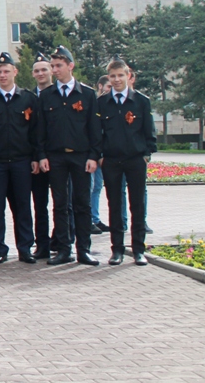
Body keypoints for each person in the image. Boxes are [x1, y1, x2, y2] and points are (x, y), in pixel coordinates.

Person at [37, 45, 102, 266]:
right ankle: (64, 249)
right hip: (56, 157)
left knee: (82, 204)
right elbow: (41, 129)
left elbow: (94, 129)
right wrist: (42, 155)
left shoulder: (87, 94)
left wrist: (93, 156)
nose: (54, 70)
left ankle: (84, 249)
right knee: (60, 204)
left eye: (58, 66)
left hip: (81, 157)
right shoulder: (47, 96)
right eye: (53, 66)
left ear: (70, 66)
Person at [0, 52, 39, 264]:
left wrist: (36, 157)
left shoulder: (28, 98)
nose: (2, 75)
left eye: (6, 71)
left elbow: (35, 131)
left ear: (15, 72)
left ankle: (25, 247)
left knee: (22, 205)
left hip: (22, 161)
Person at [98, 58, 156, 266]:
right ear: (109, 78)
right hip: (112, 160)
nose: (116, 80)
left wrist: (147, 153)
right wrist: (100, 155)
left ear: (128, 76)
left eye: (120, 75)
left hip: (135, 159)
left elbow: (149, 130)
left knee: (137, 205)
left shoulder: (141, 101)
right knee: (114, 205)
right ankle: (117, 250)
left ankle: (138, 250)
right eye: (112, 76)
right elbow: (97, 132)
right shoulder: (102, 103)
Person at [29, 51, 55, 258]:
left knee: (64, 204)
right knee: (40, 205)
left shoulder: (60, 95)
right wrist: (35, 157)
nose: (41, 74)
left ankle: (62, 242)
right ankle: (42, 245)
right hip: (37, 160)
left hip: (58, 157)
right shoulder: (28, 98)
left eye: (44, 69)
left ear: (51, 71)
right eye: (37, 71)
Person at [90, 75, 113, 234]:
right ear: (100, 86)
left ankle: (95, 218)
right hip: (93, 153)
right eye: (108, 87)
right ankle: (89, 219)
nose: (111, 90)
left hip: (104, 153)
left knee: (97, 186)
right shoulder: (95, 103)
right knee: (90, 187)